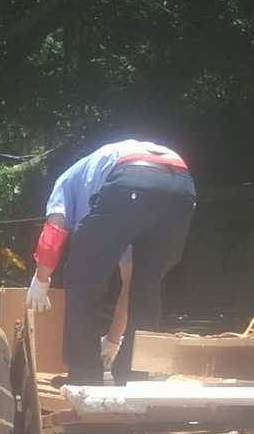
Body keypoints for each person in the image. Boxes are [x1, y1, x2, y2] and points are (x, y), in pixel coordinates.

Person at [26, 138, 197, 385]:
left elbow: (54, 229)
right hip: (181, 187)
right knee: (146, 287)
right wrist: (113, 340)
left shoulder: (66, 182)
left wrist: (41, 279)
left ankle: (84, 376)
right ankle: (135, 375)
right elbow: (129, 282)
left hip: (130, 177)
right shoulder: (115, 214)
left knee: (82, 279)